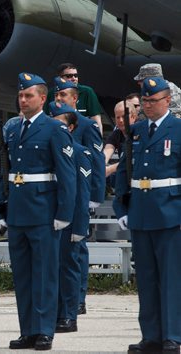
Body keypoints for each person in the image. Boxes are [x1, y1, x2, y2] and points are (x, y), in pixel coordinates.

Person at [1, 73, 76, 351]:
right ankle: (28, 330)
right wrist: (2, 209)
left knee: (44, 274)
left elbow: (67, 176)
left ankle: (44, 330)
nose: (22, 100)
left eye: (28, 95)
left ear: (42, 98)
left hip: (44, 211)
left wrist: (64, 213)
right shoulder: (12, 129)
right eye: (20, 95)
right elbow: (7, 173)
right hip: (19, 211)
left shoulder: (54, 129)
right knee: (22, 275)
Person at [113, 76, 181, 354]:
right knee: (147, 278)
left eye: (153, 101)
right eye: (144, 102)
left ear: (167, 100)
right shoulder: (136, 131)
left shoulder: (178, 129)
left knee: (171, 278)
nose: (148, 106)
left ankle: (173, 336)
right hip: (141, 212)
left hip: (170, 212)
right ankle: (151, 335)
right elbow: (122, 172)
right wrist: (121, 208)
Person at [52, 75, 106, 315]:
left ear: (75, 98)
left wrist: (95, 195)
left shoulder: (86, 125)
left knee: (78, 247)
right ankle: (62, 294)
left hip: (79, 193)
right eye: (57, 95)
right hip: (57, 194)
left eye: (64, 95)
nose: (59, 98)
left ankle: (79, 295)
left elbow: (95, 161)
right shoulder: (50, 123)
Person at [48, 101, 92, 334]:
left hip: (71, 219)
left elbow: (82, 193)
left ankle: (68, 314)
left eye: (61, 124)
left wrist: (80, 226)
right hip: (48, 217)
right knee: (51, 267)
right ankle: (53, 312)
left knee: (68, 266)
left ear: (72, 128)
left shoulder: (79, 152)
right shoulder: (46, 148)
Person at [44, 63, 104, 133]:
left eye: (76, 75)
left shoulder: (87, 91)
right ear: (60, 78)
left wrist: (99, 140)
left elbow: (96, 119)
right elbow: (46, 117)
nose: (74, 78)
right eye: (69, 76)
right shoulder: (51, 93)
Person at [104, 101, 138, 177]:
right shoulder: (116, 134)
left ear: (133, 116)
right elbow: (107, 151)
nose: (121, 120)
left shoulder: (141, 132)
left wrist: (109, 169)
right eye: (118, 117)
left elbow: (134, 160)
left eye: (123, 116)